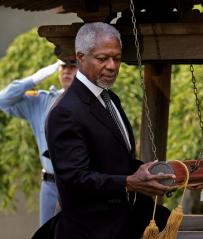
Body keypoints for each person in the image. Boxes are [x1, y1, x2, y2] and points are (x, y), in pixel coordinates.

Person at [44, 22, 175, 239]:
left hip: (125, 224)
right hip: (90, 231)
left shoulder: (110, 98)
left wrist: (170, 175)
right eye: (103, 58)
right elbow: (76, 178)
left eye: (117, 58)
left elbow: (121, 163)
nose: (112, 66)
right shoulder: (65, 111)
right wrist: (128, 182)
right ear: (80, 57)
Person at [0, 59, 78, 225]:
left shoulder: (92, 102)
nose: (66, 71)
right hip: (51, 186)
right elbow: (3, 100)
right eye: (63, 66)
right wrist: (36, 78)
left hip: (81, 185)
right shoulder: (42, 102)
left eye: (72, 66)